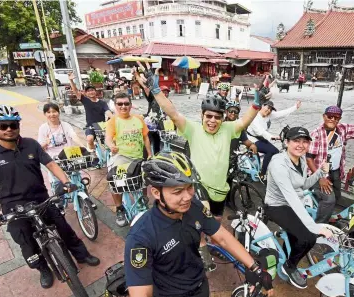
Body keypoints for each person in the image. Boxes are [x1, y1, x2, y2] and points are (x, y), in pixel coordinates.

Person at [135, 62, 271, 268]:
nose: (212, 121)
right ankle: (201, 248)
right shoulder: (192, 129)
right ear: (202, 116)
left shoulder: (228, 129)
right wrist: (155, 90)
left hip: (220, 188)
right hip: (199, 187)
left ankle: (209, 241)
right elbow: (172, 112)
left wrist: (256, 104)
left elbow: (244, 122)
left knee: (215, 219)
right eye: (208, 116)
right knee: (201, 217)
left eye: (217, 117)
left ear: (222, 118)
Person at [124, 152, 274, 297]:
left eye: (190, 187)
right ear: (157, 193)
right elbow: (140, 292)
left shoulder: (194, 207)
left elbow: (222, 237)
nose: (188, 196)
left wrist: (255, 268)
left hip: (200, 286)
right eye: (178, 192)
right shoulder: (141, 237)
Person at [0, 105, 100, 289]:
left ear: (18, 125)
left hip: (41, 198)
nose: (9, 129)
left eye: (13, 124)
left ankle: (82, 255)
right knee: (26, 242)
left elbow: (50, 164)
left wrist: (66, 182)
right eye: (3, 126)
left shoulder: (31, 144)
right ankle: (43, 269)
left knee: (64, 228)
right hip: (12, 205)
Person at [264, 127, 332, 289]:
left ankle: (287, 256)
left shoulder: (300, 160)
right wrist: (313, 227)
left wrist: (320, 173)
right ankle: (289, 266)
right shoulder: (278, 164)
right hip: (277, 205)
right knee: (308, 237)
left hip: (292, 203)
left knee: (298, 237)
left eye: (305, 141)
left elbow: (302, 185)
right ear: (286, 142)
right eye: (296, 141)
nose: (301, 145)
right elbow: (291, 197)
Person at [105, 93, 152, 226]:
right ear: (115, 106)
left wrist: (149, 153)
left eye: (126, 103)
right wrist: (111, 146)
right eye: (120, 104)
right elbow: (108, 138)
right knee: (115, 181)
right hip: (121, 156)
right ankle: (119, 208)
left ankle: (143, 200)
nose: (123, 106)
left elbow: (145, 138)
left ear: (131, 105)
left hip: (138, 156)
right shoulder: (113, 121)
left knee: (143, 179)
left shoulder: (139, 119)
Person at [247, 100, 301, 179]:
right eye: (267, 108)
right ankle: (262, 173)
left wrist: (295, 107)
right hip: (252, 139)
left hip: (261, 139)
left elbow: (281, 113)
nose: (268, 111)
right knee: (271, 151)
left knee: (276, 151)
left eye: (270, 109)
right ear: (263, 106)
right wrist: (274, 137)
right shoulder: (255, 118)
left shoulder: (268, 115)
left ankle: (270, 168)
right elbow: (261, 132)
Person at [38, 103, 85, 190]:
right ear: (45, 114)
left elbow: (73, 135)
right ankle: (60, 202)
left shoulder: (66, 125)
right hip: (54, 159)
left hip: (69, 156)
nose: (52, 114)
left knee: (78, 177)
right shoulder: (43, 128)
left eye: (54, 111)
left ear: (58, 112)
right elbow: (39, 148)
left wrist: (83, 146)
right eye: (48, 112)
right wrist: (46, 143)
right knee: (58, 182)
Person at [68, 72, 113, 151]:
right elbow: (75, 91)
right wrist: (71, 81)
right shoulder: (85, 100)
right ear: (86, 93)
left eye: (92, 90)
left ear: (95, 92)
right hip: (90, 126)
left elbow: (108, 112)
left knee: (110, 141)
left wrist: (114, 118)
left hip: (101, 127)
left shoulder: (102, 103)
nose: (90, 92)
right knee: (90, 139)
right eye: (88, 91)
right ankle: (93, 152)